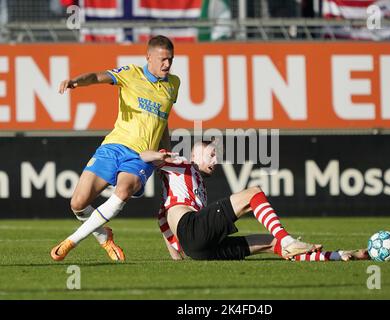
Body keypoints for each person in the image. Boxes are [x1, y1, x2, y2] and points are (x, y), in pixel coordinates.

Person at [50, 35, 180, 262]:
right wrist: (77, 81)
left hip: (141, 156)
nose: (167, 65)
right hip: (113, 146)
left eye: (170, 59)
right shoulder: (131, 73)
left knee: (123, 191)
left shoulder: (173, 84)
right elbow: (97, 77)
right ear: (148, 57)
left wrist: (165, 157)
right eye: (163, 60)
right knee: (78, 203)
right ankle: (104, 237)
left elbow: (163, 121)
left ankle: (72, 240)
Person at [140, 141, 368, 262]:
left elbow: (163, 218)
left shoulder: (190, 185)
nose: (216, 160)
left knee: (270, 243)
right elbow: (142, 157)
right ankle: (288, 240)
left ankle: (339, 255)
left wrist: (177, 257)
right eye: (211, 155)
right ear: (194, 156)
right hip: (193, 231)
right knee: (253, 193)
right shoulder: (180, 165)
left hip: (199, 249)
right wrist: (159, 156)